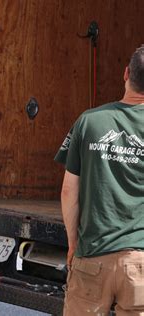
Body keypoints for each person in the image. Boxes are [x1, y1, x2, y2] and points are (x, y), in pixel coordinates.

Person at [55, 45, 144, 315]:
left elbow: (69, 191)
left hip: (92, 256)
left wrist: (73, 244)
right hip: (140, 263)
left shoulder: (89, 121)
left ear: (126, 73)